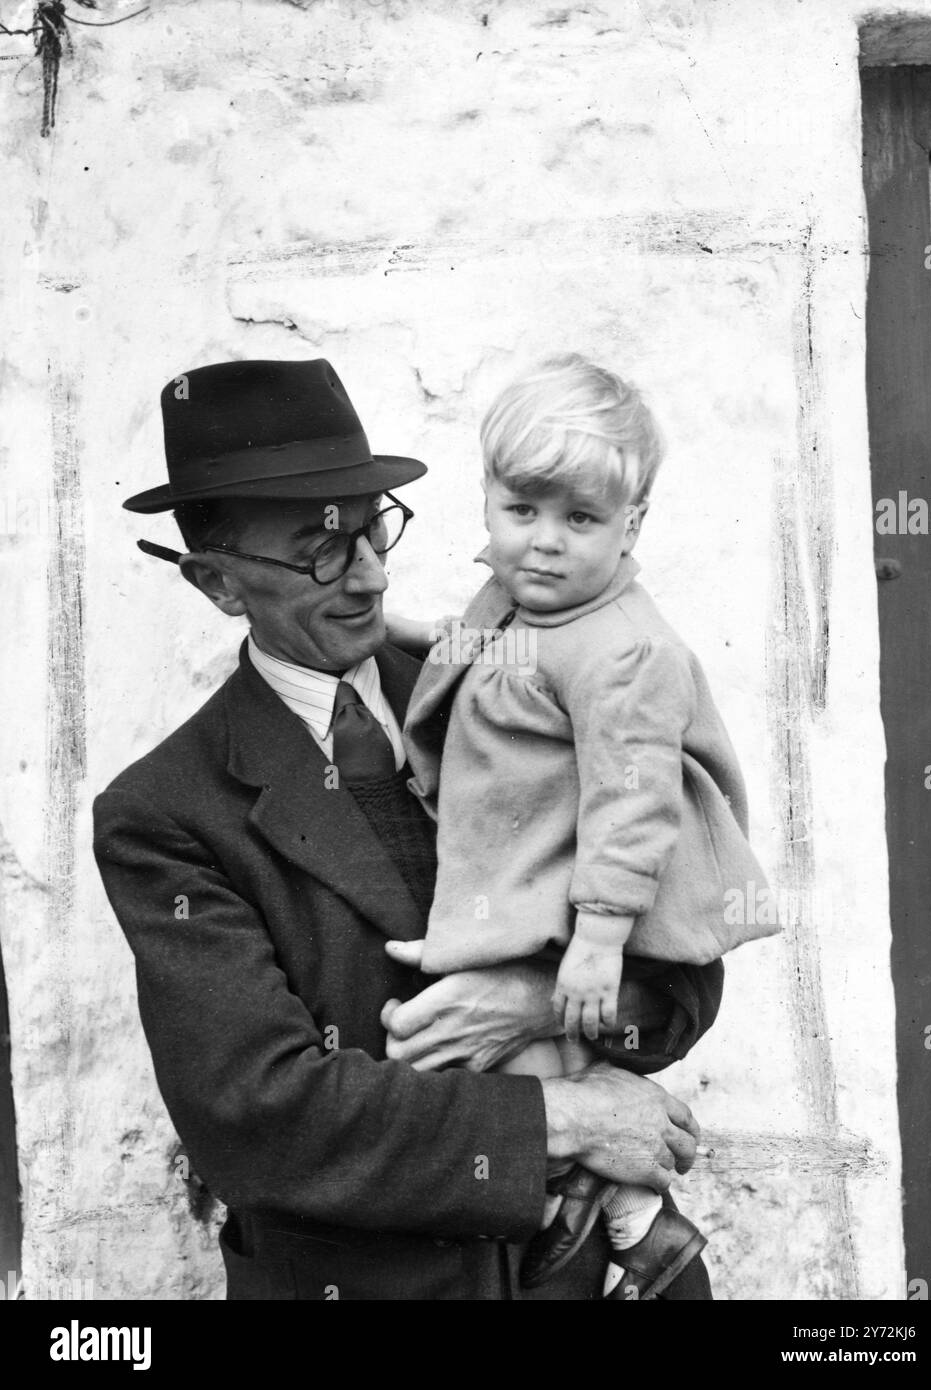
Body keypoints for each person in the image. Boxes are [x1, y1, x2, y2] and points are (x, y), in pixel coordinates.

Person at [93, 356, 723, 1301]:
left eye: (372, 529)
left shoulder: (497, 675)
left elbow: (686, 969)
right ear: (218, 583)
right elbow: (262, 1119)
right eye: (318, 547)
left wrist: (541, 1001)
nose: (370, 575)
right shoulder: (166, 815)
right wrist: (566, 1118)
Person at [394, 355, 776, 1299]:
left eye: (582, 520)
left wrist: (601, 939)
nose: (546, 545)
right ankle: (622, 1220)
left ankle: (617, 1218)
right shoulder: (524, 601)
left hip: (577, 902)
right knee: (526, 1051)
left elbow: (632, 794)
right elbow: (477, 642)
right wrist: (389, 632)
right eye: (523, 512)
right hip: (522, 881)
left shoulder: (623, 648)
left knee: (525, 1050)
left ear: (633, 523)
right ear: (488, 500)